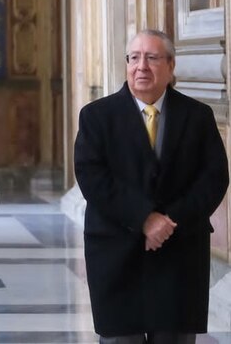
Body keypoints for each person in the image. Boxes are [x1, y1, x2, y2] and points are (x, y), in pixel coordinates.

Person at [74, 30, 229, 344]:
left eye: (152, 57)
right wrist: (144, 218)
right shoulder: (97, 116)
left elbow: (213, 179)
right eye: (134, 58)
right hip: (117, 252)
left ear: (171, 67)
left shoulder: (198, 116)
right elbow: (93, 178)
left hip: (179, 252)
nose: (141, 66)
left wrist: (169, 221)